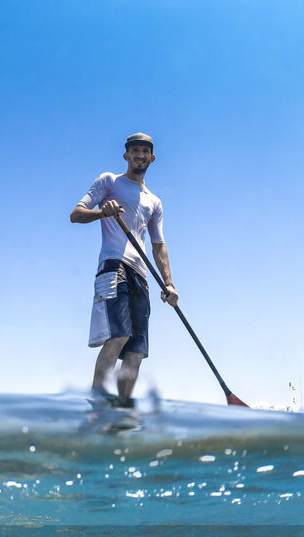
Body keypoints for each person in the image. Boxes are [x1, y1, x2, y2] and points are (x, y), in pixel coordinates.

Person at [70, 132, 178, 406]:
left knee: (137, 351)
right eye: (135, 151)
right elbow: (76, 214)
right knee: (120, 334)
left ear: (152, 158)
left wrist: (169, 283)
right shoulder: (109, 181)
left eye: (145, 152)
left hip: (141, 275)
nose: (140, 156)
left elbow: (158, 245)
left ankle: (122, 410)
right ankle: (98, 403)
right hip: (113, 265)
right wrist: (102, 213)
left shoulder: (154, 201)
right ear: (126, 155)